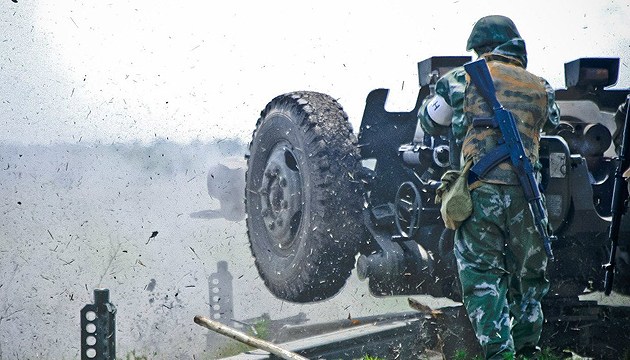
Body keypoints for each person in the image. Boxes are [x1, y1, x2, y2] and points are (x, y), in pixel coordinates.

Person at [418, 15, 560, 359]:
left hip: (480, 193)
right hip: (528, 197)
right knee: (528, 280)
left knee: (483, 277)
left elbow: (429, 121)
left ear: (480, 47)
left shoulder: (460, 79)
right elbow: (553, 122)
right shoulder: (540, 85)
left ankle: (500, 354)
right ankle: (527, 349)